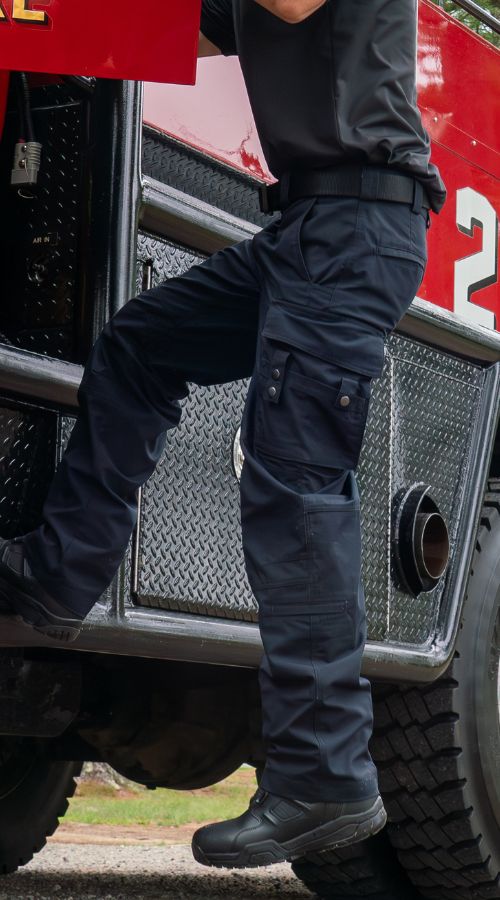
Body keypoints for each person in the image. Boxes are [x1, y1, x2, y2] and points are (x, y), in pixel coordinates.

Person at [0, 0, 446, 871]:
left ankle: (326, 779)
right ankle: (58, 580)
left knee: (296, 488)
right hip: (306, 232)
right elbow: (186, 33)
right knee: (139, 346)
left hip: (358, 229)